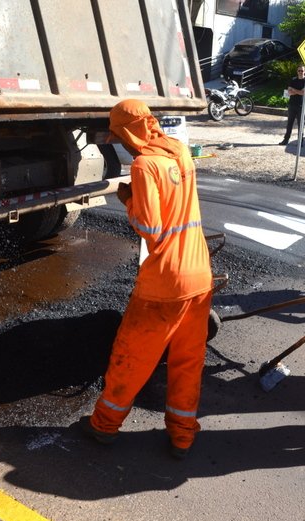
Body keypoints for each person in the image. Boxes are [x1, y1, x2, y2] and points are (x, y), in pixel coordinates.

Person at [80, 99, 213, 459]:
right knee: (187, 361)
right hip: (200, 276)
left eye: (118, 135)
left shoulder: (143, 165)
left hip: (164, 283)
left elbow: (151, 228)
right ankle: (183, 435)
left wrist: (128, 199)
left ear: (126, 133)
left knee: (131, 357)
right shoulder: (180, 152)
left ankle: (104, 425)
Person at [279, 65, 305, 146]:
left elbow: (304, 92)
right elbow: (289, 92)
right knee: (289, 123)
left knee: (300, 124)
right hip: (292, 104)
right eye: (299, 71)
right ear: (297, 71)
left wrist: (294, 90)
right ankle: (286, 140)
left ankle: (300, 141)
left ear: (304, 71)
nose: (300, 72)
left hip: (301, 105)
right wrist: (298, 91)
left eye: (302, 71)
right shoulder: (293, 79)